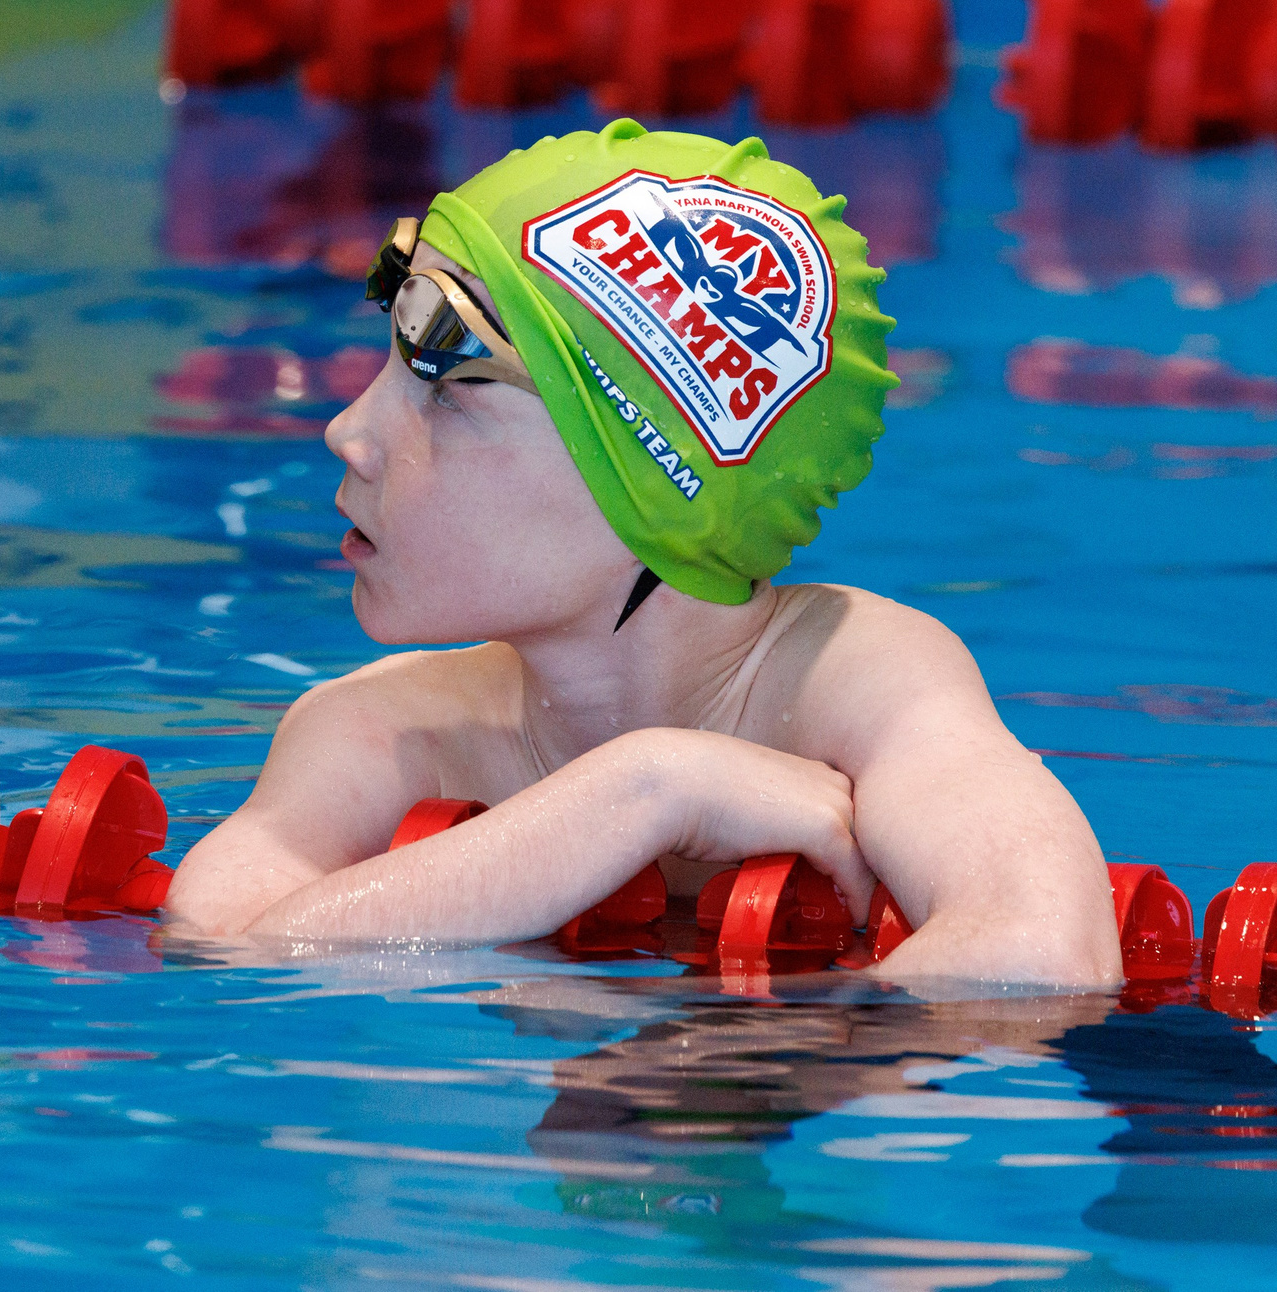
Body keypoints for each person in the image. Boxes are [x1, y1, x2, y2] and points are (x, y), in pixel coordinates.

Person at [163, 119, 1119, 988]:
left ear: (656, 483)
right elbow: (221, 941)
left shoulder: (863, 685)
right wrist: (649, 790)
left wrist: (710, 1068)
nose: (348, 432)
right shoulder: (388, 731)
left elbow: (1042, 955)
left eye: (446, 385)